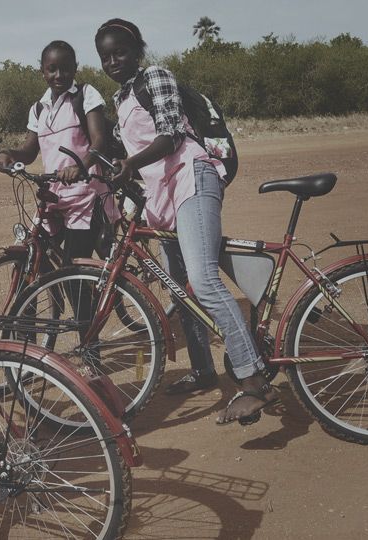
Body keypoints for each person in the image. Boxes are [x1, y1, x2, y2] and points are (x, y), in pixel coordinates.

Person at [94, 19, 278, 425]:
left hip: (194, 177)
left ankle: (252, 381)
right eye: (105, 56)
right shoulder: (121, 99)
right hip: (164, 195)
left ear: (137, 51)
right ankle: (203, 370)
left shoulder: (155, 77)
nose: (113, 61)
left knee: (203, 279)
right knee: (181, 290)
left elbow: (172, 136)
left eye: (120, 52)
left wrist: (132, 164)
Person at [0, 40, 120, 262]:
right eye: (52, 69)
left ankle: (96, 295)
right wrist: (8, 154)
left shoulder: (85, 95)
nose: (59, 75)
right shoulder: (38, 108)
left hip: (86, 196)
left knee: (74, 270)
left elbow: (99, 141)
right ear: (42, 71)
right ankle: (53, 295)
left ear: (75, 68)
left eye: (66, 68)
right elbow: (29, 151)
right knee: (33, 252)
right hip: (52, 195)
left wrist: (80, 166)